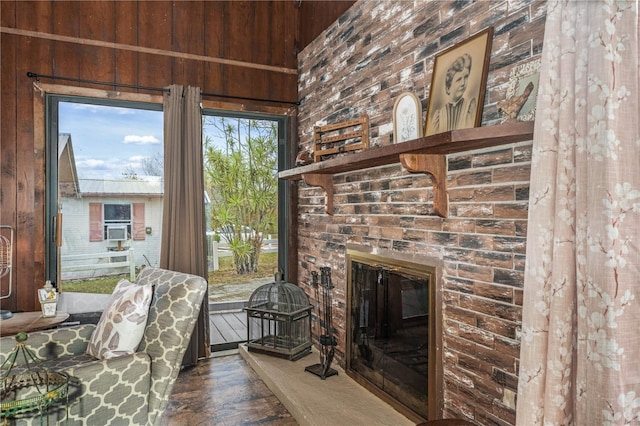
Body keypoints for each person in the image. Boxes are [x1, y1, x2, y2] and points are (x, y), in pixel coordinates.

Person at [428, 53, 477, 134]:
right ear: (448, 88)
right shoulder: (439, 116)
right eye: (458, 79)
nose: (463, 83)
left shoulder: (470, 107)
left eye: (466, 77)